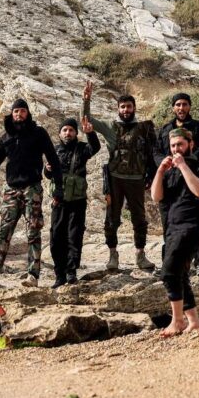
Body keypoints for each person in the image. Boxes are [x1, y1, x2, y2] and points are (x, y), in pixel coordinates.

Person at [0, 99, 64, 288]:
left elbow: (53, 160)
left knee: (33, 231)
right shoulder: (6, 137)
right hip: (11, 190)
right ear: (12, 114)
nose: (19, 114)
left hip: (32, 188)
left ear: (27, 113)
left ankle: (33, 275)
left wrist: (59, 189)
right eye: (16, 111)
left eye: (22, 111)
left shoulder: (38, 133)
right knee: (3, 232)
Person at [82, 82, 157, 271]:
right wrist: (86, 100)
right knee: (111, 219)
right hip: (115, 179)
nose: (126, 110)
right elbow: (87, 119)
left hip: (137, 179)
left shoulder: (144, 128)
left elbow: (151, 153)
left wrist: (152, 175)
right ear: (118, 109)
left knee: (139, 219)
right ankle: (113, 255)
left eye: (129, 106)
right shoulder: (110, 126)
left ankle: (140, 255)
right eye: (122, 107)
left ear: (134, 108)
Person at [151, 128, 199, 337]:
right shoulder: (169, 170)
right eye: (173, 145)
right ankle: (194, 321)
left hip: (191, 226)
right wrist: (160, 171)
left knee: (168, 272)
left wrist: (183, 165)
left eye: (180, 145)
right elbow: (156, 197)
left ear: (190, 144)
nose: (176, 149)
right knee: (180, 274)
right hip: (172, 228)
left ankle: (177, 321)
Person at [153, 93, 199, 274]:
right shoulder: (165, 129)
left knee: (197, 220)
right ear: (173, 107)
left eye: (184, 104)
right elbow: (156, 151)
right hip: (170, 179)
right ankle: (168, 262)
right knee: (168, 221)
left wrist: (187, 162)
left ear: (189, 106)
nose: (181, 107)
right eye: (178, 104)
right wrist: (165, 164)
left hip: (193, 175)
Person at [45, 117, 101, 287]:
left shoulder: (82, 148)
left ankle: (71, 272)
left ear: (76, 133)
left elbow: (95, 148)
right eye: (65, 130)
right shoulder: (54, 151)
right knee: (56, 237)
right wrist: (47, 169)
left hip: (77, 201)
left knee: (74, 237)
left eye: (71, 130)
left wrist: (90, 133)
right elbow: (48, 175)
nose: (68, 133)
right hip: (59, 200)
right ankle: (59, 274)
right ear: (59, 133)